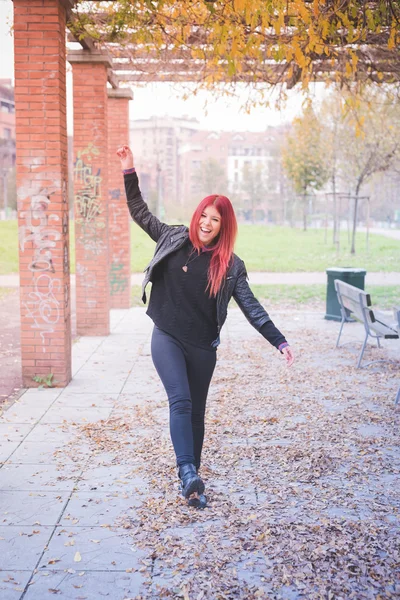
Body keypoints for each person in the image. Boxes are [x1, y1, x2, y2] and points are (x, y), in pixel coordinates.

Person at [117, 145, 294, 509]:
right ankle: (185, 471)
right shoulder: (172, 237)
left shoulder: (231, 265)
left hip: (202, 346)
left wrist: (279, 341)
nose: (206, 223)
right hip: (166, 333)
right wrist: (129, 169)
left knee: (197, 412)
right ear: (197, 215)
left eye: (215, 219)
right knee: (180, 401)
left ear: (223, 226)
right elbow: (139, 211)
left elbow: (251, 307)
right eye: (204, 215)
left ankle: (193, 484)